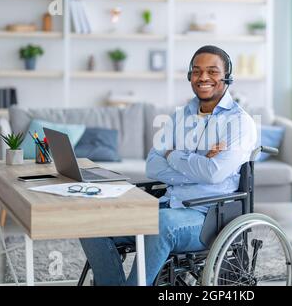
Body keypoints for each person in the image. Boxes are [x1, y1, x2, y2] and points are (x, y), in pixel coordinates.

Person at [79, 45, 257, 286]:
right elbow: (152, 166)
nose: (203, 77)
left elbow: (214, 174)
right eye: (196, 71)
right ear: (190, 76)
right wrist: (197, 164)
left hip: (208, 216)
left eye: (212, 71)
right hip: (168, 204)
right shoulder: (181, 116)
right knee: (93, 222)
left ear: (227, 76)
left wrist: (173, 154)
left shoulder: (239, 123)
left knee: (160, 225)